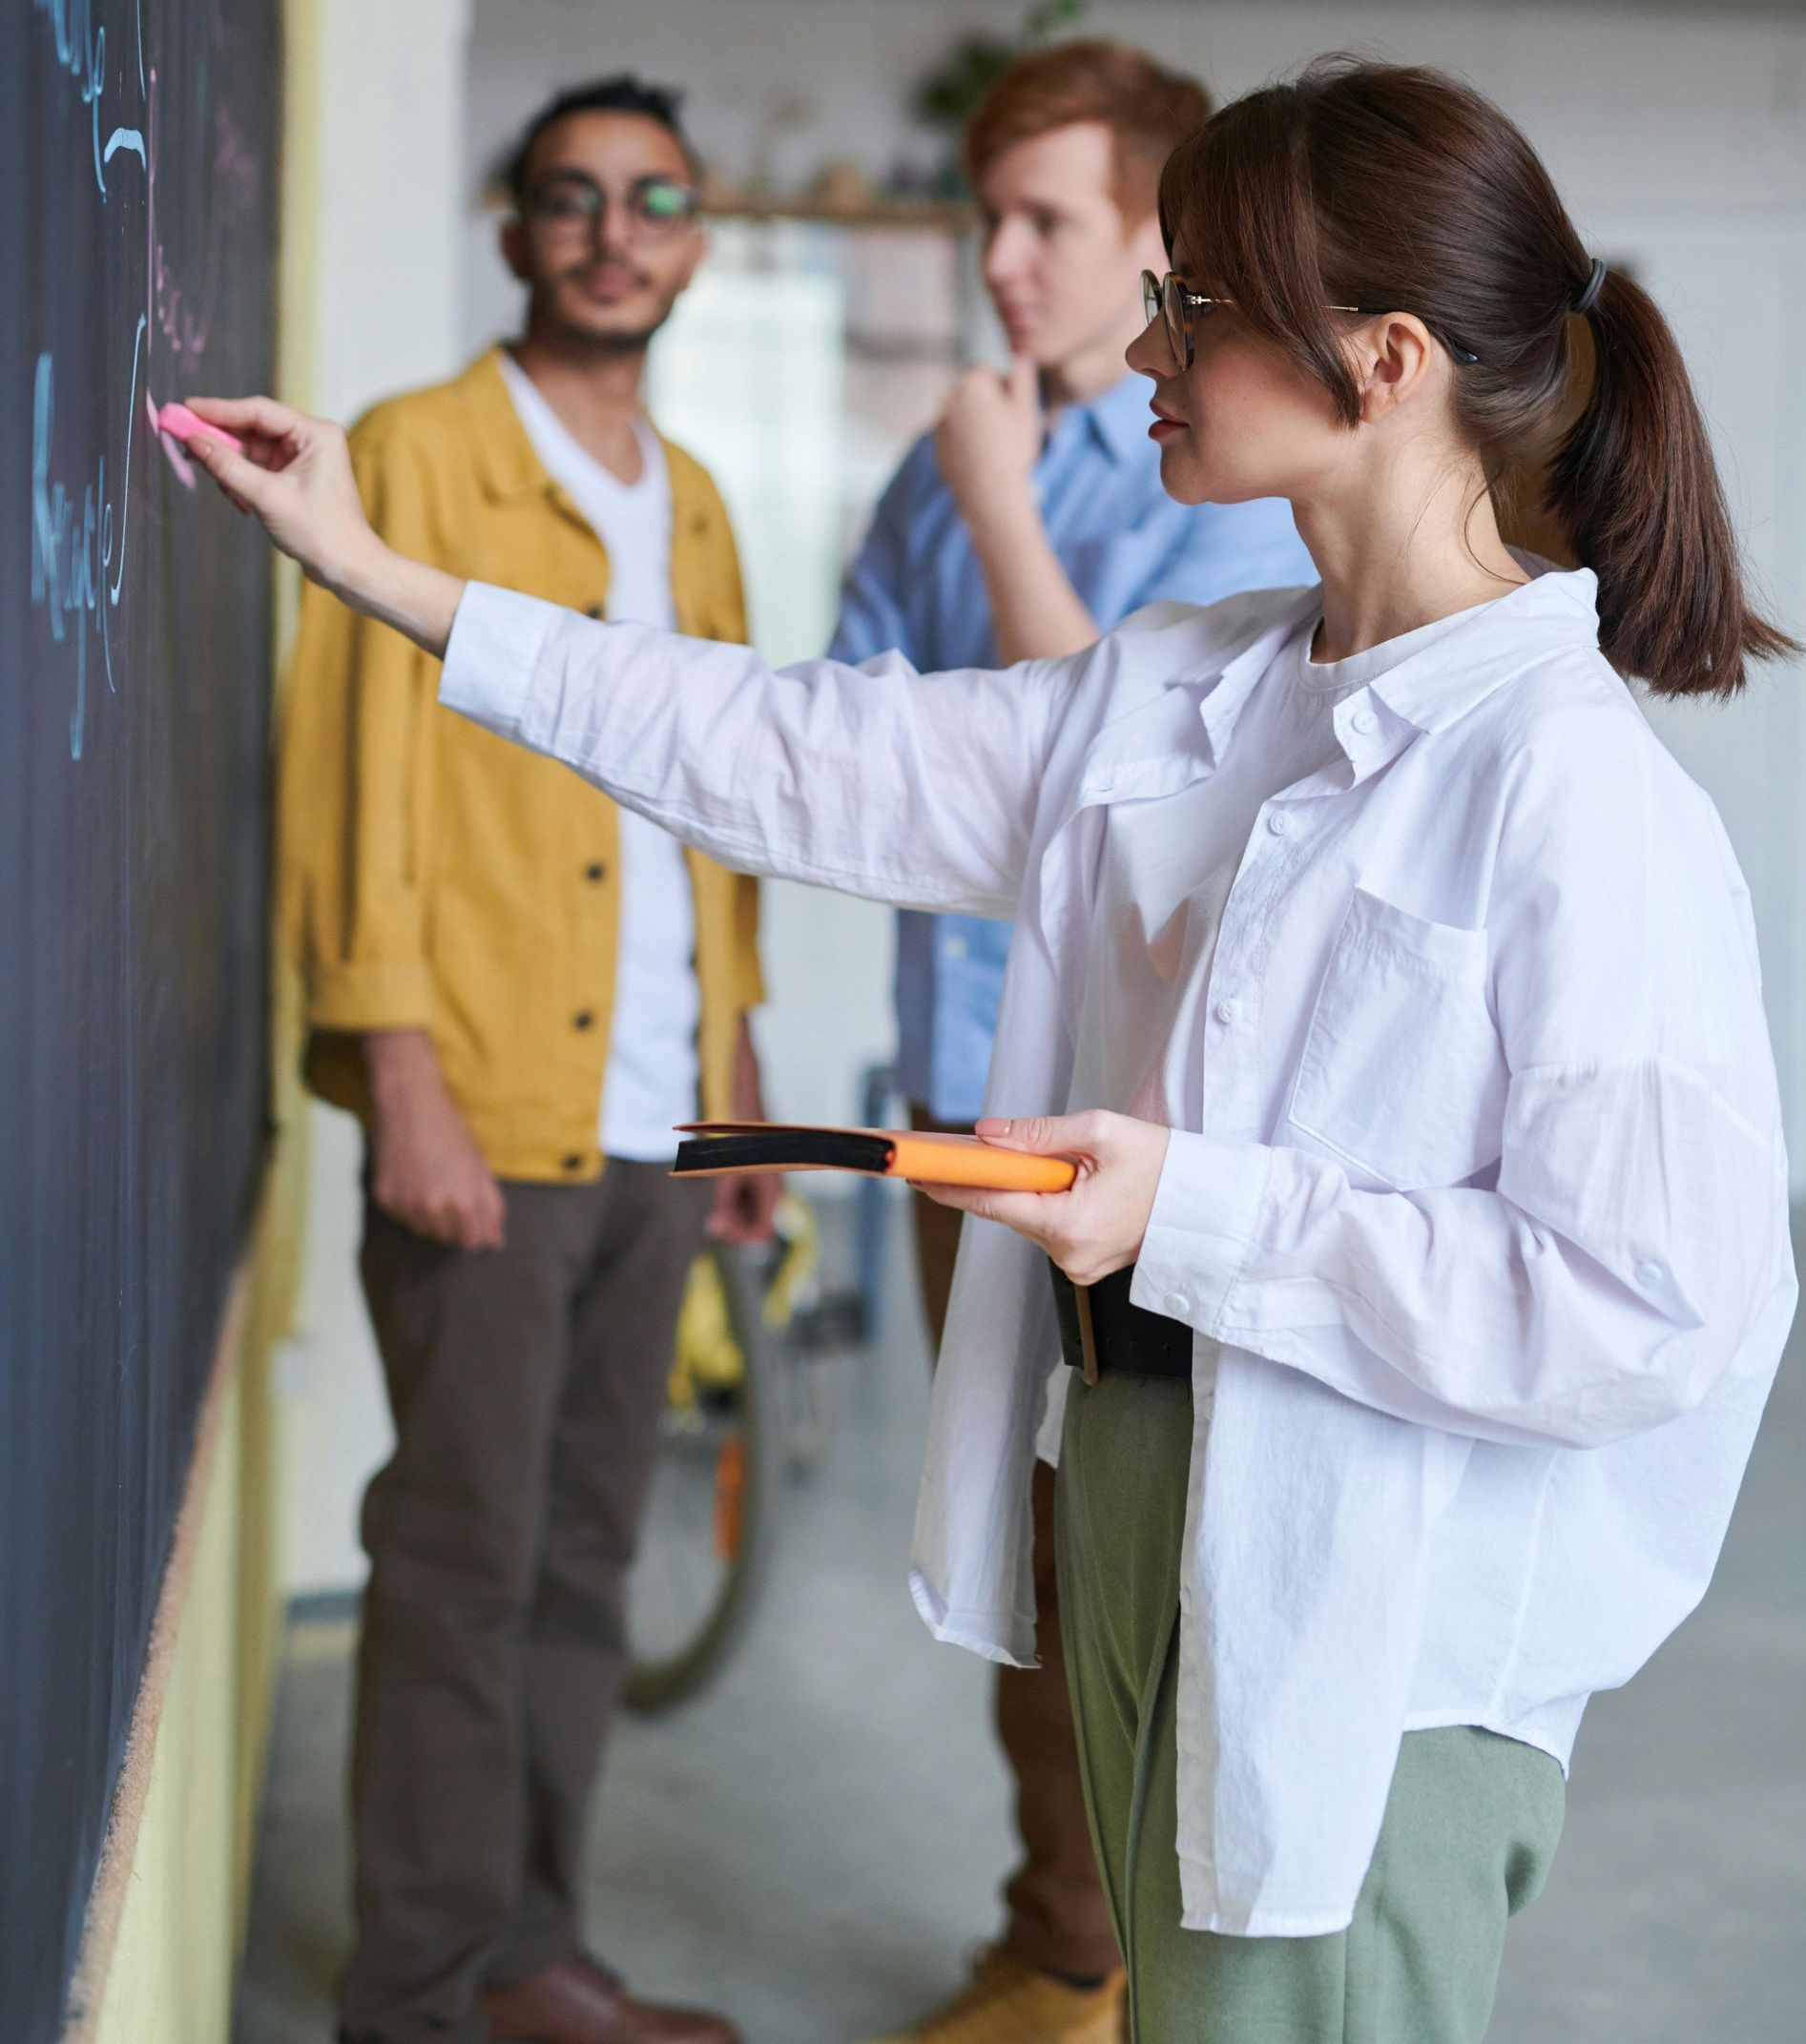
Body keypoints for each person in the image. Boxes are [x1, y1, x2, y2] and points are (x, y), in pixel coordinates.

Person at [187, 52, 1797, 2044]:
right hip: (1138, 1476)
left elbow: (1634, 1308)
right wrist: (388, 575)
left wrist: (1189, 1210)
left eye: (1193, 301)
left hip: (1365, 1600)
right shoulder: (1191, 685)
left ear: (1381, 362)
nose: (1144, 338)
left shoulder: (1572, 798)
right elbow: (790, 744)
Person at [275, 73, 767, 2044]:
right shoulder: (409, 453)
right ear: (514, 230)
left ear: (696, 240)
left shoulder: (700, 496)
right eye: (573, 197)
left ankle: (523, 1961)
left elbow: (720, 806)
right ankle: (408, 1993)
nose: (613, 232)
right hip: (485, 1098)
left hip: (656, 1116)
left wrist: (732, 1082)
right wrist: (398, 1071)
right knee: (460, 1561)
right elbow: (349, 785)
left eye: (654, 198)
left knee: (582, 1556)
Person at [828, 43, 1311, 2040]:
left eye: (1050, 221)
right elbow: (863, 749)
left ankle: (1122, 1958)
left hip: (1143, 1128)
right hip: (958, 1081)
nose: (1004, 260)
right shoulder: (945, 450)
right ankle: (1063, 1945)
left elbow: (1100, 780)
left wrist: (992, 497)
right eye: (989, 217)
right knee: (1008, 1532)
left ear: (1152, 241)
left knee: (1151, 1539)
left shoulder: (1211, 476)